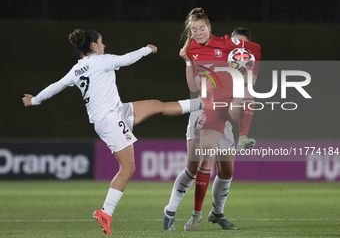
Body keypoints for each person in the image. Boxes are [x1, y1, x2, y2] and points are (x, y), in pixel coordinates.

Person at [22, 29, 208, 235]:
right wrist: (146, 49)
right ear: (93, 46)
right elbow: (126, 60)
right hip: (110, 119)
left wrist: (35, 99)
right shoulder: (100, 61)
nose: (104, 46)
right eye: (101, 42)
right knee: (128, 168)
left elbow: (56, 86)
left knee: (157, 105)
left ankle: (202, 103)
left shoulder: (77, 69)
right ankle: (106, 212)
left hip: (116, 112)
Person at [163, 26, 256, 231]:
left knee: (227, 170)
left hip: (222, 118)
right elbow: (195, 84)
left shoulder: (246, 68)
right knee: (194, 167)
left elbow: (238, 108)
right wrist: (189, 61)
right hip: (203, 111)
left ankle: (217, 213)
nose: (236, 49)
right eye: (233, 44)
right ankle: (170, 211)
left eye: (241, 45)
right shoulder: (214, 57)